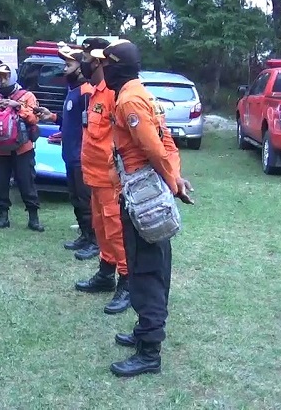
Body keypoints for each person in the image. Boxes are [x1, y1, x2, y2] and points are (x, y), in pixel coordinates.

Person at [92, 39, 194, 377]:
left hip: (142, 194)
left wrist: (171, 179)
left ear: (116, 66)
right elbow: (165, 141)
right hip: (146, 189)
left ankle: (150, 352)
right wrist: (174, 178)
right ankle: (143, 332)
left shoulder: (130, 99)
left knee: (147, 270)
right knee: (148, 265)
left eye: (104, 63)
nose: (101, 69)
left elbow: (152, 145)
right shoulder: (139, 92)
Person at [74, 37, 131, 315]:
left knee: (116, 231)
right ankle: (106, 274)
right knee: (101, 229)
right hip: (94, 177)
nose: (85, 63)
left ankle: (127, 283)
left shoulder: (114, 94)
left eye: (89, 59)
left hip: (111, 179)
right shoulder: (95, 92)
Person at [0, 64, 45, 232]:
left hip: (23, 149)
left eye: (6, 76)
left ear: (13, 76)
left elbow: (34, 119)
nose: (2, 80)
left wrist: (17, 106)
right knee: (0, 184)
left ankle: (33, 218)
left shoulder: (27, 96)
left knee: (26, 182)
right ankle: (3, 217)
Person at [57, 46, 100, 259]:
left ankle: (95, 241)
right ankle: (84, 235)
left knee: (86, 201)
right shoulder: (73, 92)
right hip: (69, 155)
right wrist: (55, 120)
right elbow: (72, 122)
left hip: (82, 157)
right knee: (76, 198)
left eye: (69, 65)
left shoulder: (87, 92)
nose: (65, 69)